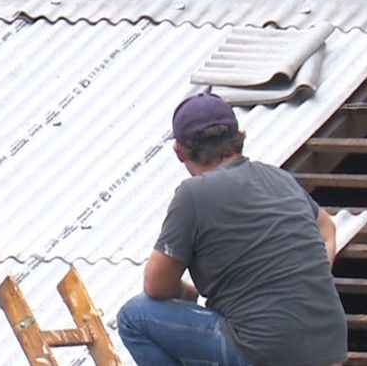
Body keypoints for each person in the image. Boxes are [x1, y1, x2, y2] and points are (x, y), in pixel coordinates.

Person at [116, 92, 347, 366]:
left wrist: (187, 295)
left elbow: (156, 285)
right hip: (329, 345)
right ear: (240, 135)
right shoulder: (279, 177)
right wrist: (310, 278)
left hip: (263, 352)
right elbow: (328, 230)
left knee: (134, 316)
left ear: (178, 152)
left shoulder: (193, 195)